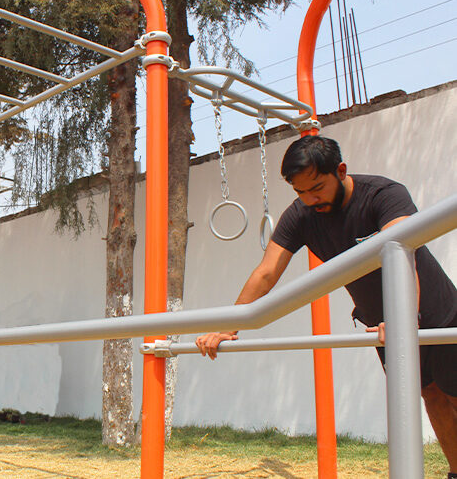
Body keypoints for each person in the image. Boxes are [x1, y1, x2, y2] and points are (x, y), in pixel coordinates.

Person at [195, 135, 456, 478]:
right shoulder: (302, 214)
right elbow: (267, 272)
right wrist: (227, 326)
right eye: (300, 192)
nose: (310, 199)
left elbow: (403, 253)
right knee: (430, 395)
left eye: (317, 188)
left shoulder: (384, 195)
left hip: (440, 315)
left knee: (454, 395)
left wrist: (403, 318)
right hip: (383, 325)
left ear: (341, 171)